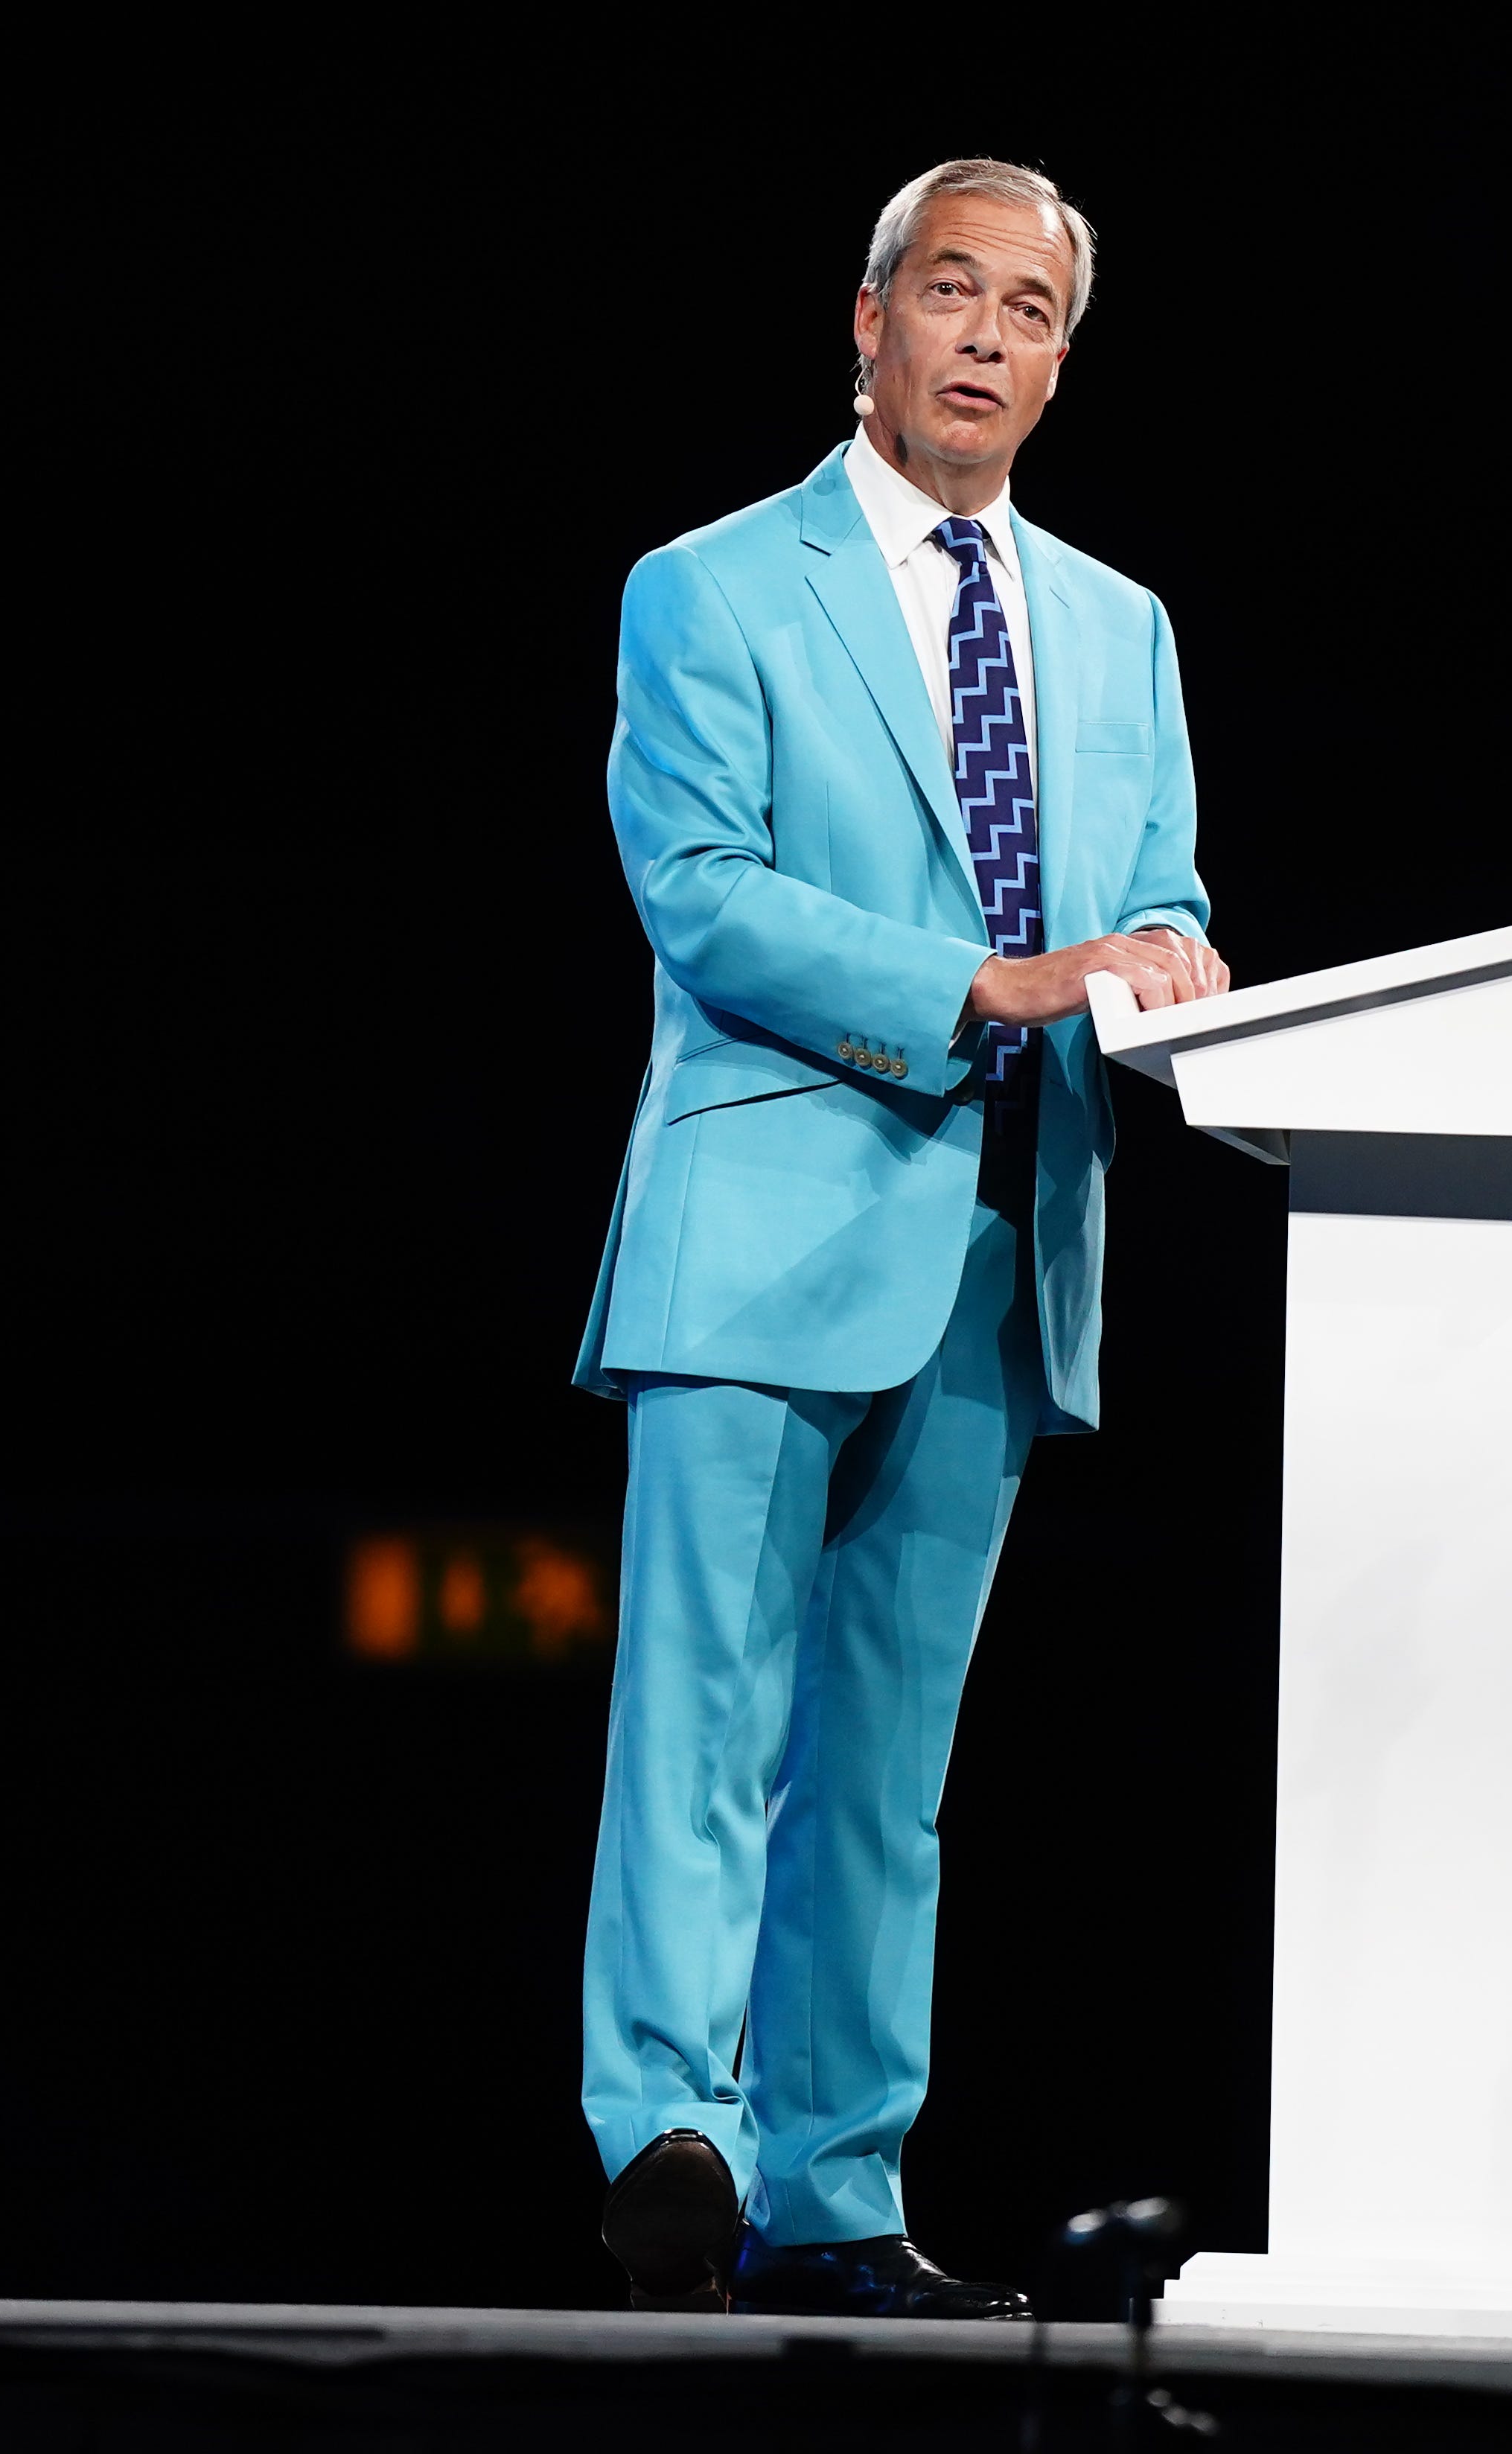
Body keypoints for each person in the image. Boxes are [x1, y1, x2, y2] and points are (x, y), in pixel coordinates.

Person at [573, 158, 1229, 2319]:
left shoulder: (1121, 629)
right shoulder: (713, 586)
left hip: (1001, 1241)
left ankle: (839, 2193)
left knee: (889, 1776)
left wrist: (1173, 965)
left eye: (1028, 311)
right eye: (948, 292)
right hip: (766, 1217)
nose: (983, 338)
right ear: (864, 322)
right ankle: (675, 2132)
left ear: (1059, 359)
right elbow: (704, 889)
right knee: (703, 1720)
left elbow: (1165, 905)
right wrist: (992, 983)